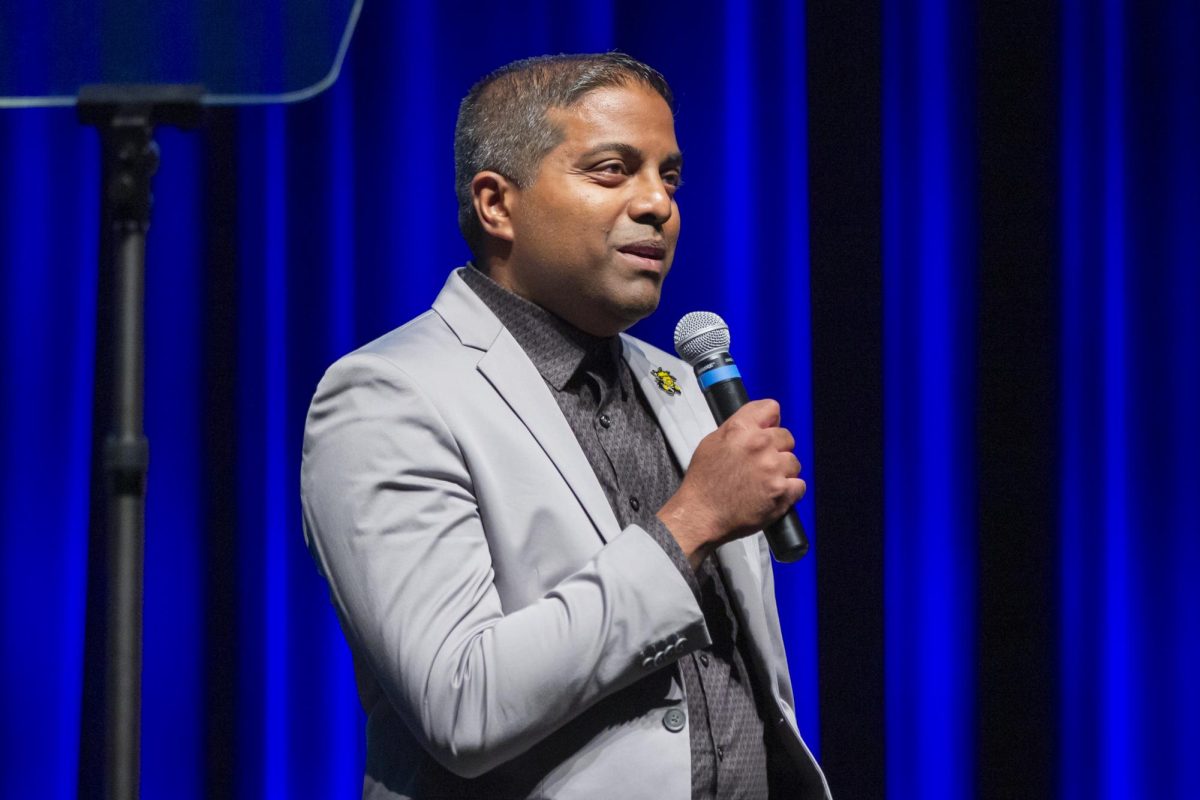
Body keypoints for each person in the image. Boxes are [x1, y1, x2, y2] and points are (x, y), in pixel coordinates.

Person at [300, 53, 831, 800]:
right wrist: (692, 521)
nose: (658, 204)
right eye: (614, 171)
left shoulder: (676, 382)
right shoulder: (387, 395)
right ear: (497, 205)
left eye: (669, 176)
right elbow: (462, 702)